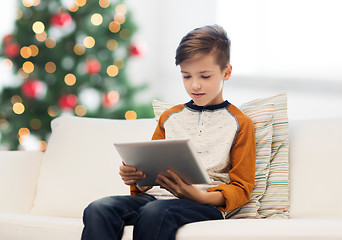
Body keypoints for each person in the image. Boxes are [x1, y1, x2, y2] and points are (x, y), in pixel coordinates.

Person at [81, 24, 256, 240]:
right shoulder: (170, 117)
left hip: (202, 205)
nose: (195, 85)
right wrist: (137, 177)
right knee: (98, 208)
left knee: (154, 213)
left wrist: (200, 196)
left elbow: (242, 188)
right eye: (186, 76)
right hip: (155, 199)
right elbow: (150, 175)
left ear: (226, 72)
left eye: (205, 76)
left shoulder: (240, 123)